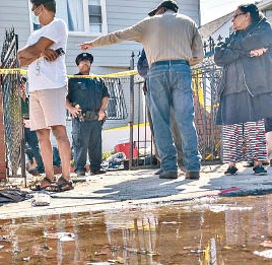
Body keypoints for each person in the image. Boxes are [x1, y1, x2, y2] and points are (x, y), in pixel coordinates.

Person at [80, 0, 204, 180]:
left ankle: (169, 168)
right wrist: (181, 62)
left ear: (161, 10)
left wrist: (93, 43)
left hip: (157, 71)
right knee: (186, 118)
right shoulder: (189, 22)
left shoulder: (149, 23)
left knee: (160, 121)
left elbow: (118, 35)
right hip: (181, 70)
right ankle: (193, 167)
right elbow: (198, 56)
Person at [17, 0, 73, 192]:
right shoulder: (35, 34)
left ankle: (66, 178)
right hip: (35, 88)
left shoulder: (58, 25)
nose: (33, 12)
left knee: (59, 131)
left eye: (34, 9)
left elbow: (29, 52)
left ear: (41, 7)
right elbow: (21, 59)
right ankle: (49, 177)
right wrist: (42, 52)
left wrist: (36, 51)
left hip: (53, 85)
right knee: (41, 134)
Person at [214, 3, 272, 176]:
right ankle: (232, 164)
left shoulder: (264, 28)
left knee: (255, 126)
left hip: (253, 86)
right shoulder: (234, 35)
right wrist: (245, 52)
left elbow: (256, 41)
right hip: (230, 87)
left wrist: (232, 51)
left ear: (247, 15)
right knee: (231, 127)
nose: (232, 19)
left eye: (236, 15)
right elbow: (218, 56)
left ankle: (257, 163)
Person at [137, 49, 185, 174]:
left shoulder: (169, 41)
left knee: (176, 126)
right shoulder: (147, 46)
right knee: (156, 128)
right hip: (151, 90)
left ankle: (182, 162)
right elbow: (140, 67)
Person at [66, 53, 109, 176]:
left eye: (87, 61)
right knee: (80, 144)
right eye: (82, 61)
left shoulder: (98, 80)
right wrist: (70, 108)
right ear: (78, 65)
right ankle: (80, 169)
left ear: (90, 63)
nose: (85, 63)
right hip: (81, 118)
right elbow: (64, 97)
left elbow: (105, 96)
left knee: (96, 144)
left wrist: (102, 110)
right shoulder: (73, 80)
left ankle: (96, 168)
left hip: (96, 117)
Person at [20, 77, 61, 175]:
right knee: (21, 148)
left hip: (31, 125)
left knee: (35, 147)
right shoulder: (14, 100)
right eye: (19, 85)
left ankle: (42, 169)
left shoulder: (30, 98)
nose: (21, 87)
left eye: (23, 85)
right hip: (20, 126)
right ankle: (23, 169)